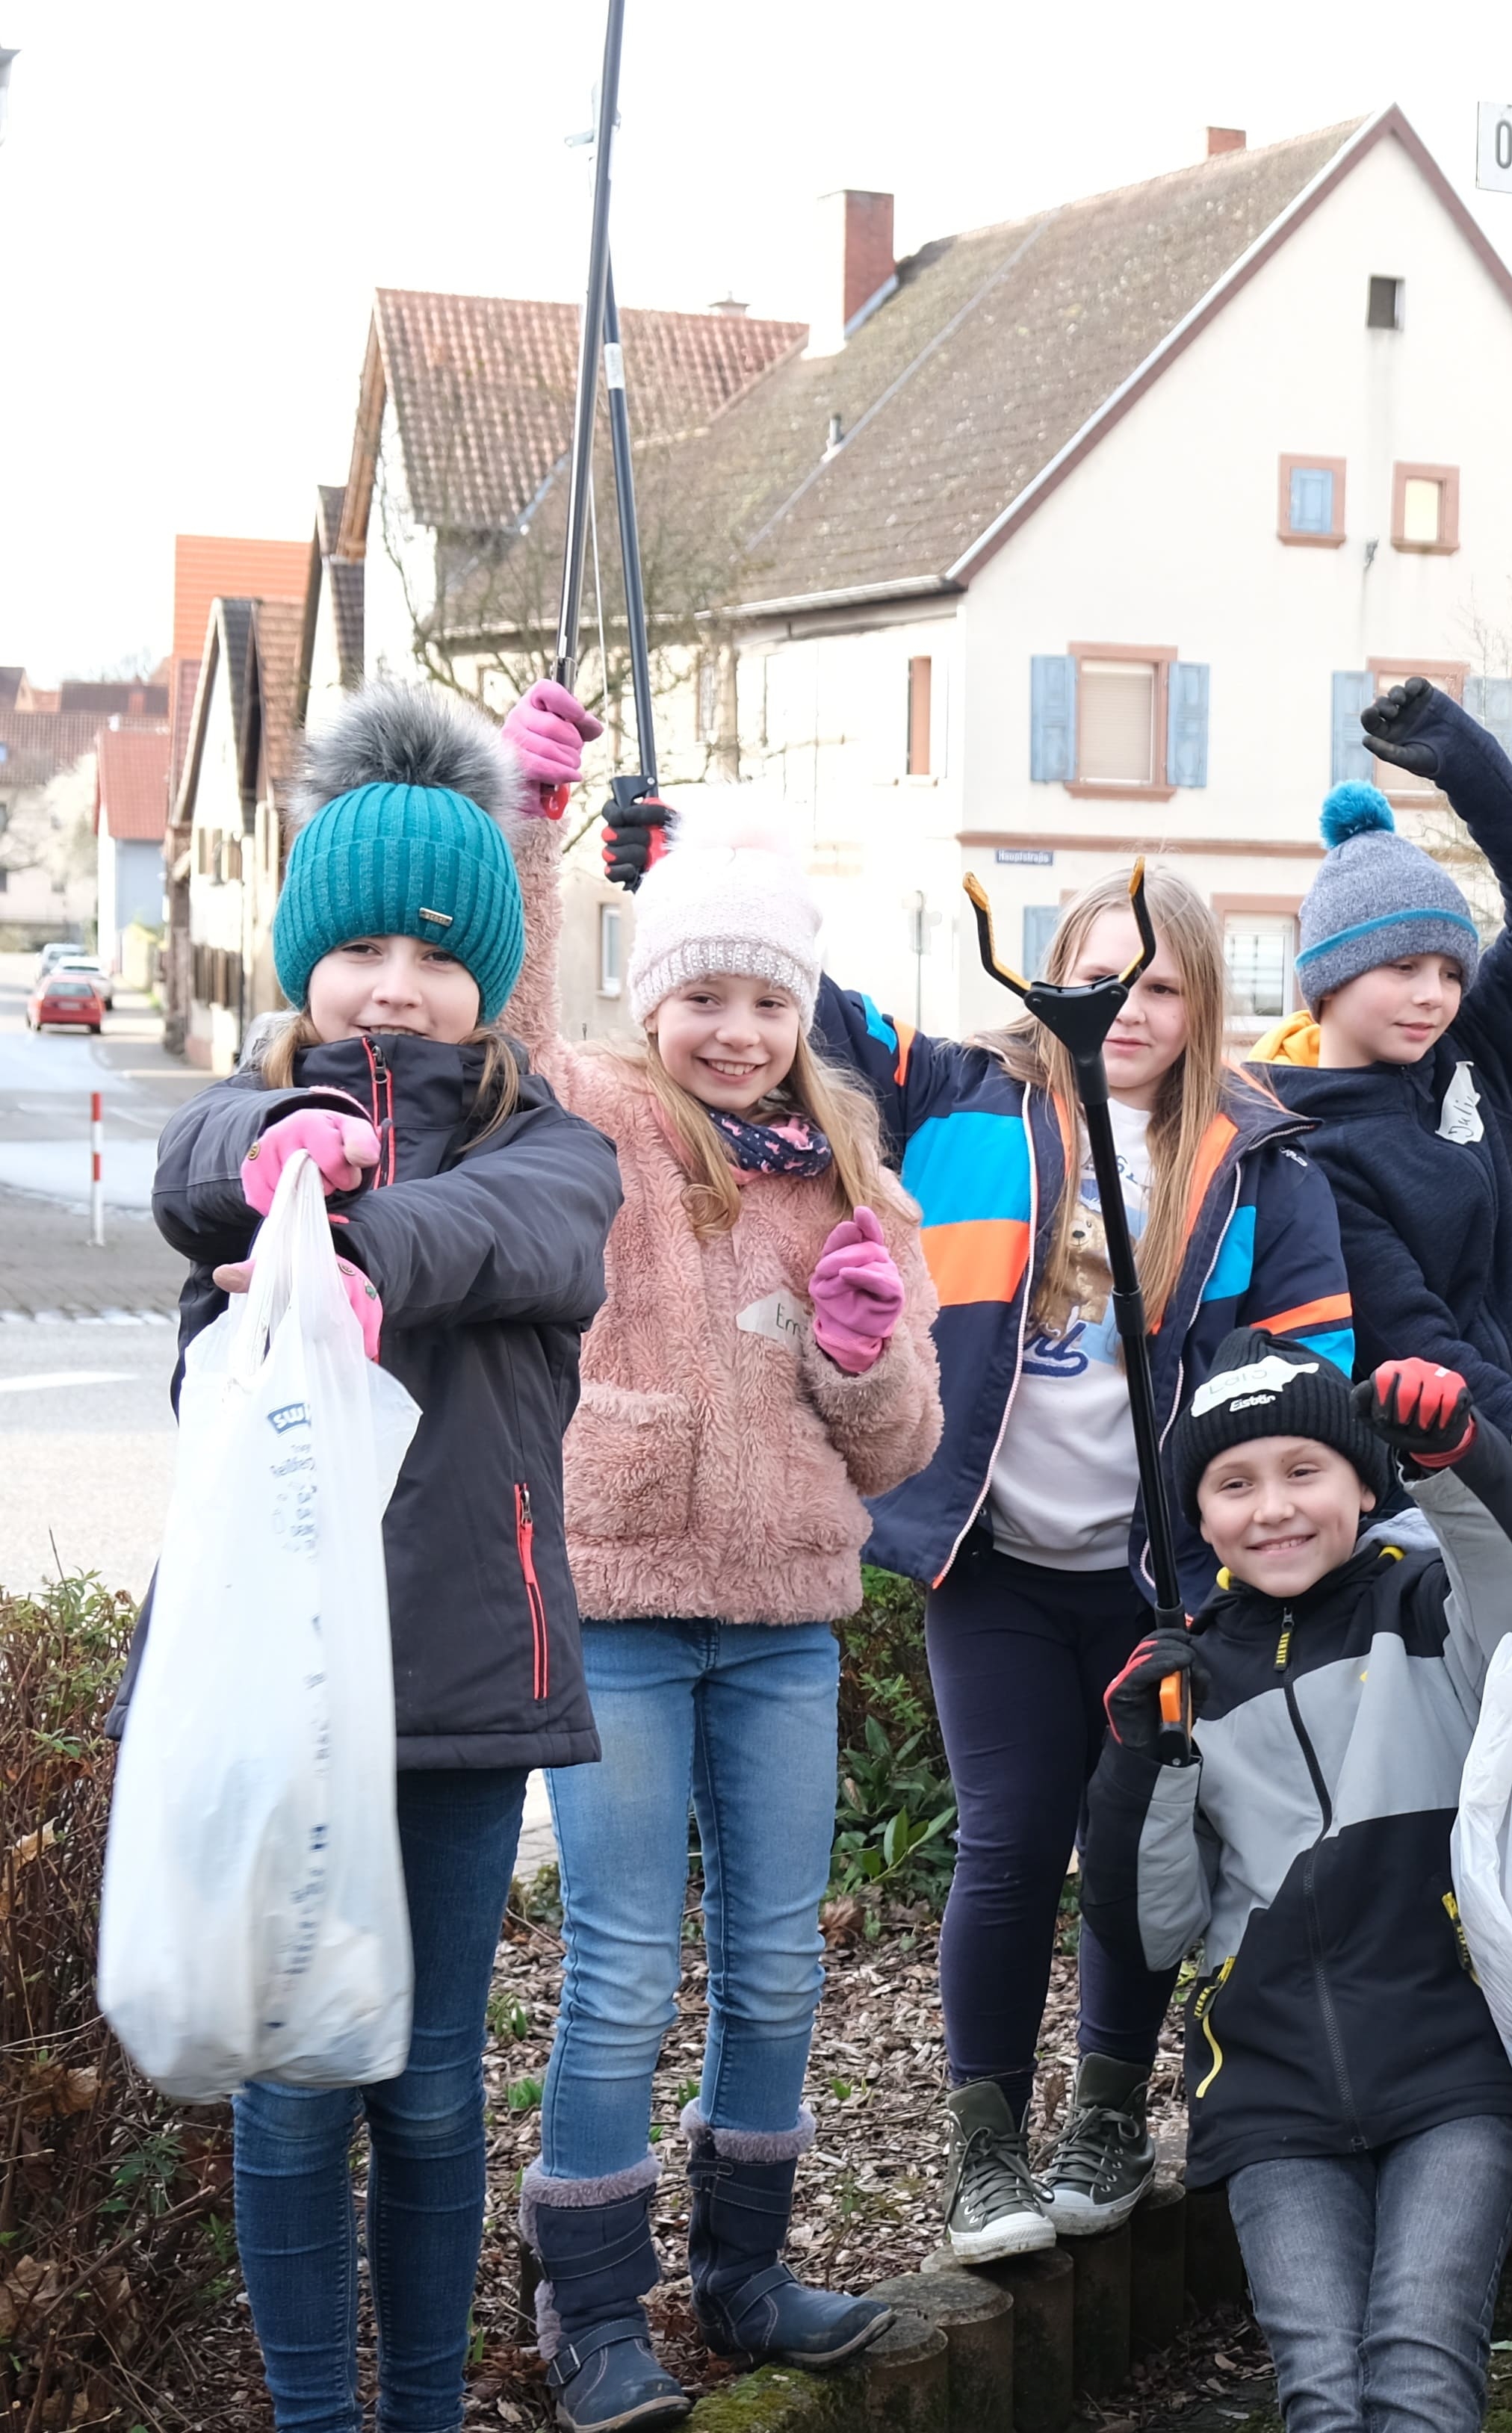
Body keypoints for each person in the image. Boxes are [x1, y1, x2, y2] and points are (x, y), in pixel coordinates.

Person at [509, 684, 1358, 2262]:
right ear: (1043, 971)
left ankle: (1108, 2108)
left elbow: (1309, 1363)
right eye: (1099, 974)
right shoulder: (960, 1093)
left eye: (1162, 984)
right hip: (993, 1549)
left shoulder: (1259, 1152)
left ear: (1201, 1000)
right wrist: (660, 858)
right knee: (1008, 1832)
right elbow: (769, 988)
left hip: (1160, 1568)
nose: (1131, 1007)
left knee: (1135, 1834)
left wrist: (1252, 1495)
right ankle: (985, 2145)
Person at [143, 684, 622, 2433]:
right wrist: (277, 1153)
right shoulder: (238, 1133)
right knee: (287, 2091)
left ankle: (422, 2405)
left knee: (424, 2087)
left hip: (461, 1677)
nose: (393, 983)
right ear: (301, 962)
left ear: (489, 972)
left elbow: (528, 1235)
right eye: (355, 947)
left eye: (434, 949)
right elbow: (191, 1178)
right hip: (273, 1686)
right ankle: (313, 2416)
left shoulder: (545, 1143)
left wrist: (367, 1246)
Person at [480, 718, 941, 2425]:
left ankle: (741, 2272)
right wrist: (530, 826)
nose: (735, 1033)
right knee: (614, 1962)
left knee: (775, 1959)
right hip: (616, 1612)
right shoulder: (596, 1120)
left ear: (800, 1015)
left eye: (765, 1003)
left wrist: (863, 1350)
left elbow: (895, 1449)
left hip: (784, 1634)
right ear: (653, 1002)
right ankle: (588, 2302)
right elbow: (502, 1028)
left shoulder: (851, 1180)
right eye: (703, 998)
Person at [1080, 1332, 1512, 2433]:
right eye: (1233, 1484)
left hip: (1458, 2066)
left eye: (1306, 1470)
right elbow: (1148, 1931)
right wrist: (1138, 1762)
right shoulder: (1183, 1679)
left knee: (1417, 2355)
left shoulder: (1432, 1610)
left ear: (1361, 1479)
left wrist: (1456, 1454)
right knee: (1325, 2390)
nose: (1273, 1508)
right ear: (1195, 1520)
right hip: (1270, 2094)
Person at [1260, 678, 1512, 1432]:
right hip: (1443, 1465)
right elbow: (1412, 1338)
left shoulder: (1470, 1056)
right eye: (1401, 968)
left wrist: (1461, 758)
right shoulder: (1302, 1141)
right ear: (1331, 979)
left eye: (1449, 972)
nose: (1434, 996)